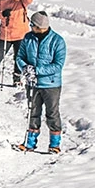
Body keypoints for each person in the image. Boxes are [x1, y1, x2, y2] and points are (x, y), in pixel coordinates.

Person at [14, 11, 67, 153]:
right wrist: (25, 68)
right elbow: (20, 56)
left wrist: (36, 70)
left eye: (32, 24)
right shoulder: (28, 38)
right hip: (32, 83)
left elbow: (58, 65)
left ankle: (54, 144)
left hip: (51, 85)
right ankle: (30, 143)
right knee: (33, 112)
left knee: (52, 113)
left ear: (39, 26)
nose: (30, 27)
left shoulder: (58, 41)